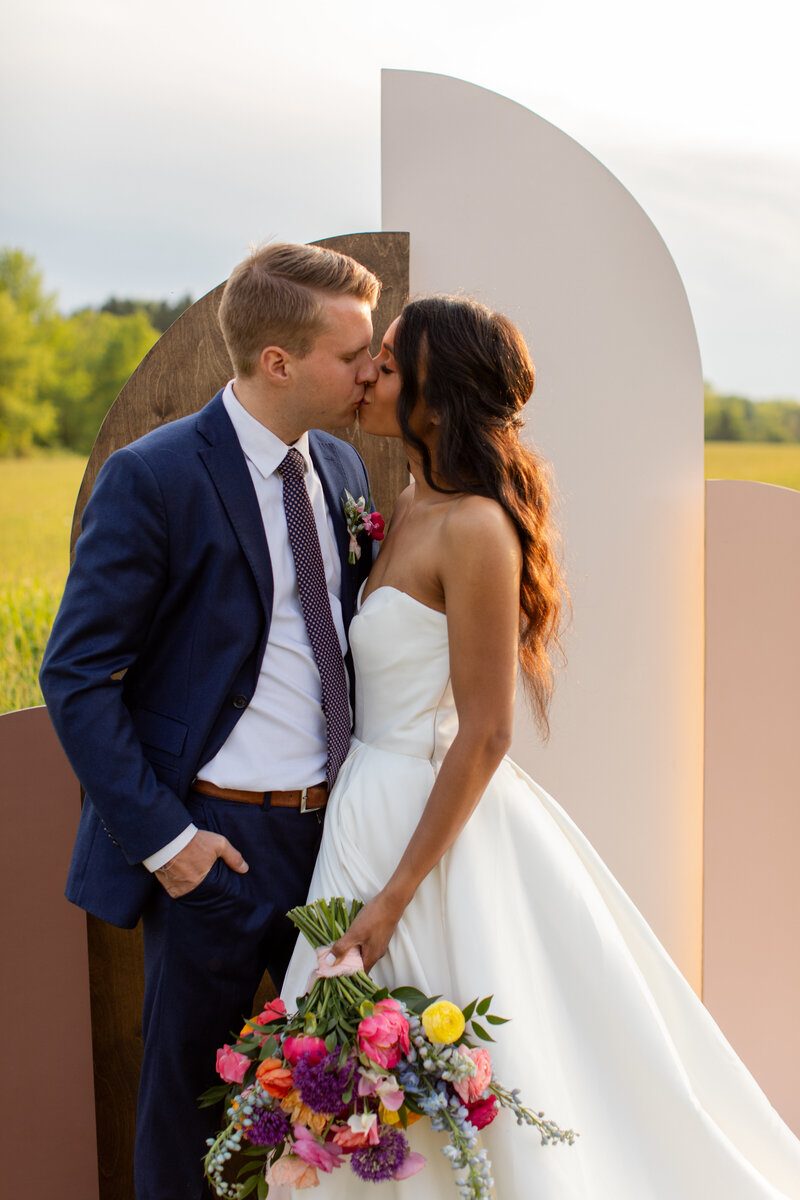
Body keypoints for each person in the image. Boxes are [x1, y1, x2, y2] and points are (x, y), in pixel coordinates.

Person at [280, 295, 800, 1197]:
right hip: (364, 806)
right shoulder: (400, 503)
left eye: (391, 364)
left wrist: (398, 896)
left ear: (436, 403)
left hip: (426, 829)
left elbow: (486, 729)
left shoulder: (477, 527)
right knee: (349, 1073)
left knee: (456, 1068)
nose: (370, 374)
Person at [39, 242, 382, 1200]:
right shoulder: (157, 477)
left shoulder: (345, 470)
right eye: (353, 352)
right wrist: (169, 844)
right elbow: (75, 674)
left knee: (338, 1107)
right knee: (189, 1117)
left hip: (339, 841)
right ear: (278, 361)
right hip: (218, 849)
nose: (371, 370)